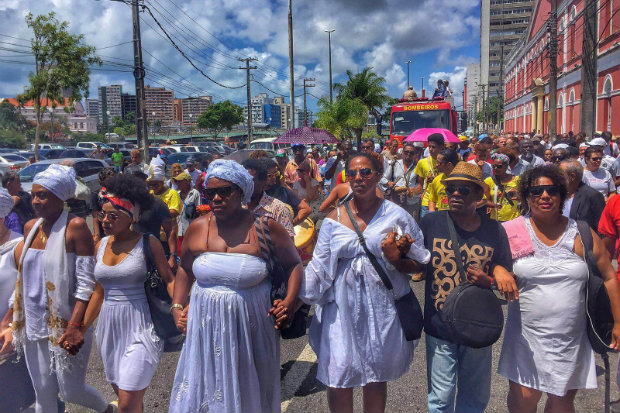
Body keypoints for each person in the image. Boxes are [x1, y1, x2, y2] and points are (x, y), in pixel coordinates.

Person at [300, 152, 430, 413]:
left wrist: (396, 258)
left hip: (381, 306)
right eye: (353, 173)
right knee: (338, 374)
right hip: (340, 308)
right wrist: (296, 292)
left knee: (375, 374)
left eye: (366, 172)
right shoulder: (332, 220)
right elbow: (320, 269)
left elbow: (420, 261)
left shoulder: (397, 216)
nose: (358, 178)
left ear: (378, 175)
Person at [169, 159, 302, 413]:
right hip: (205, 326)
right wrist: (177, 306)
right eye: (211, 192)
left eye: (225, 191)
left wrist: (288, 303)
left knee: (247, 388)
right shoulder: (197, 228)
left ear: (242, 191)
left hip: (251, 327)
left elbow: (294, 265)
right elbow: (185, 269)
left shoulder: (265, 227)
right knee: (205, 385)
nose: (216, 198)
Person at [498, 165, 620, 413]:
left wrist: (618, 323)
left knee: (562, 405)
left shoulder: (582, 233)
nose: (545, 196)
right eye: (537, 191)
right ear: (526, 196)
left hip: (570, 340)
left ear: (562, 194)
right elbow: (487, 262)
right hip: (525, 339)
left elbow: (609, 276)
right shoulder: (511, 231)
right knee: (523, 403)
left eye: (552, 190)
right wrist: (497, 270)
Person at [2, 164, 114, 413]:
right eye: (34, 194)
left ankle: (109, 410)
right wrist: (10, 320)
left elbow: (86, 284)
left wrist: (76, 327)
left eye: (43, 195)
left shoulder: (75, 227)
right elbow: (23, 279)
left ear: (60, 197)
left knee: (72, 389)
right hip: (32, 323)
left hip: (65, 323)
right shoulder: (31, 227)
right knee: (43, 392)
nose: (36, 201)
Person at [420, 161, 516, 413]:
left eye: (463, 190)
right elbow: (415, 265)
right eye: (450, 189)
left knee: (474, 397)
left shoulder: (494, 230)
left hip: (477, 325)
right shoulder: (431, 224)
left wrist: (491, 280)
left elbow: (505, 272)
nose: (454, 194)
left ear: (478, 195)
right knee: (440, 399)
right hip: (439, 325)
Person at [92, 174, 175, 413]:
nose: (105, 220)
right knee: (130, 402)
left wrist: (181, 308)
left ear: (130, 217)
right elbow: (98, 292)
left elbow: (169, 279)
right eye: (102, 214)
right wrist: (76, 326)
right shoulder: (101, 245)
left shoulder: (149, 243)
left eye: (113, 216)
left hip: (140, 325)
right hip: (109, 328)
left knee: (127, 404)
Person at [0, 187, 36, 413]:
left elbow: (26, 288)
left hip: (10, 333)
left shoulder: (19, 246)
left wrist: (10, 324)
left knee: (13, 396)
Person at [242, 158, 295, 238]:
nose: (246, 184)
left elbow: (288, 246)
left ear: (263, 181)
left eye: (251, 180)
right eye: (243, 180)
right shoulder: (236, 206)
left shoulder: (279, 209)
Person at [147, 156, 181, 270]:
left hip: (167, 238)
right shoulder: (149, 194)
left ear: (162, 182)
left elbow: (174, 211)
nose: (153, 187)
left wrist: (154, 214)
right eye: (151, 184)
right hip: (152, 237)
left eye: (156, 184)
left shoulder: (172, 193)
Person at [559, 159, 605, 231]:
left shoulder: (593, 196)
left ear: (572, 177)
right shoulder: (557, 194)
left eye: (560, 174)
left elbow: (601, 228)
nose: (556, 177)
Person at [264, 159, 312, 226]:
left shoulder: (284, 191)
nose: (274, 177)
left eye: (276, 174)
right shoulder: (255, 195)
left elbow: (306, 209)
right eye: (269, 175)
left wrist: (290, 225)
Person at [414, 133, 445, 218]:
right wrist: (413, 191)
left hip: (443, 203)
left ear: (441, 147)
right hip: (427, 203)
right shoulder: (422, 163)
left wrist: (437, 179)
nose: (430, 149)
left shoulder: (448, 162)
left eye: (433, 147)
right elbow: (420, 184)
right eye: (429, 146)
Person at [485, 151, 520, 222]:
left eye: (499, 166)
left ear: (506, 166)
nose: (496, 168)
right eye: (493, 166)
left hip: (514, 219)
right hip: (496, 220)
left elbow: (525, 198)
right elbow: (485, 200)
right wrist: (494, 205)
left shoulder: (517, 180)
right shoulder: (489, 181)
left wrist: (517, 195)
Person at [172, 171, 201, 254]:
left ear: (188, 181)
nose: (178, 183)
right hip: (178, 229)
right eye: (177, 181)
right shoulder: (176, 194)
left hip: (191, 229)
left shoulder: (195, 193)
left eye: (180, 181)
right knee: (179, 253)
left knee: (190, 252)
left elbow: (200, 211)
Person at [427, 149, 459, 213]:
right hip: (441, 217)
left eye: (439, 163)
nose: (436, 165)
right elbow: (432, 200)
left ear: (449, 164)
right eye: (436, 162)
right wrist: (432, 213)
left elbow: (483, 200)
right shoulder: (437, 180)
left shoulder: (463, 180)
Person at [91, 167, 117, 243]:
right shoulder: (96, 195)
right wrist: (97, 235)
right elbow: (95, 216)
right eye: (108, 181)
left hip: (118, 229)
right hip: (104, 230)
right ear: (101, 182)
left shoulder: (119, 194)